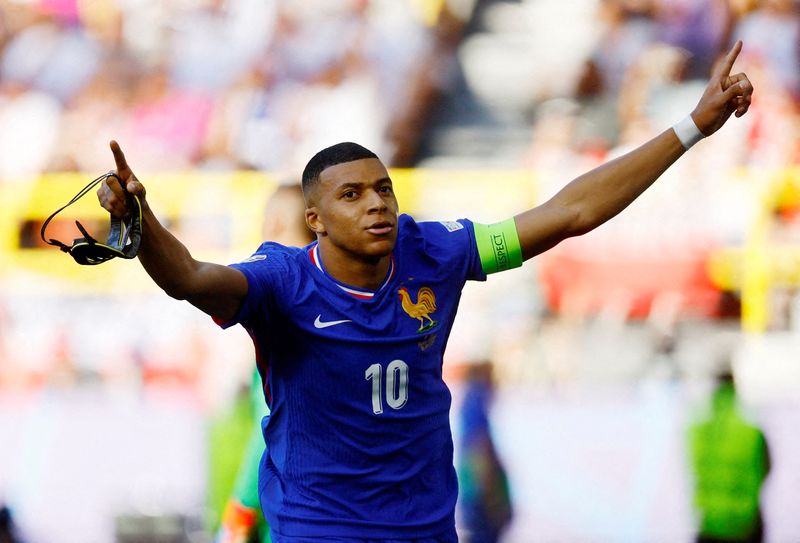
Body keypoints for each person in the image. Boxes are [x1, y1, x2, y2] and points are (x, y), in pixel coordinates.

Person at [96, 41, 753, 542]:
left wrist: (691, 127)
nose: (377, 204)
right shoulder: (280, 283)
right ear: (315, 220)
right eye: (351, 195)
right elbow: (187, 276)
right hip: (322, 531)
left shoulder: (436, 253)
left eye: (383, 187)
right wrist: (140, 220)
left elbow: (569, 212)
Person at [214, 184, 315, 543]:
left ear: (272, 225)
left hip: (291, 516)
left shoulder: (282, 309)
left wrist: (239, 513)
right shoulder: (350, 301)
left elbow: (269, 429)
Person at [688, 371, 771, 543]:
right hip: (745, 524)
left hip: (709, 523)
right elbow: (768, 467)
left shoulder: (698, 432)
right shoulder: (752, 431)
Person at [457, 361, 512, 543]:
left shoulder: (470, 401)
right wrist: (491, 497)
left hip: (475, 492)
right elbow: (477, 449)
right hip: (480, 495)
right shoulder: (476, 401)